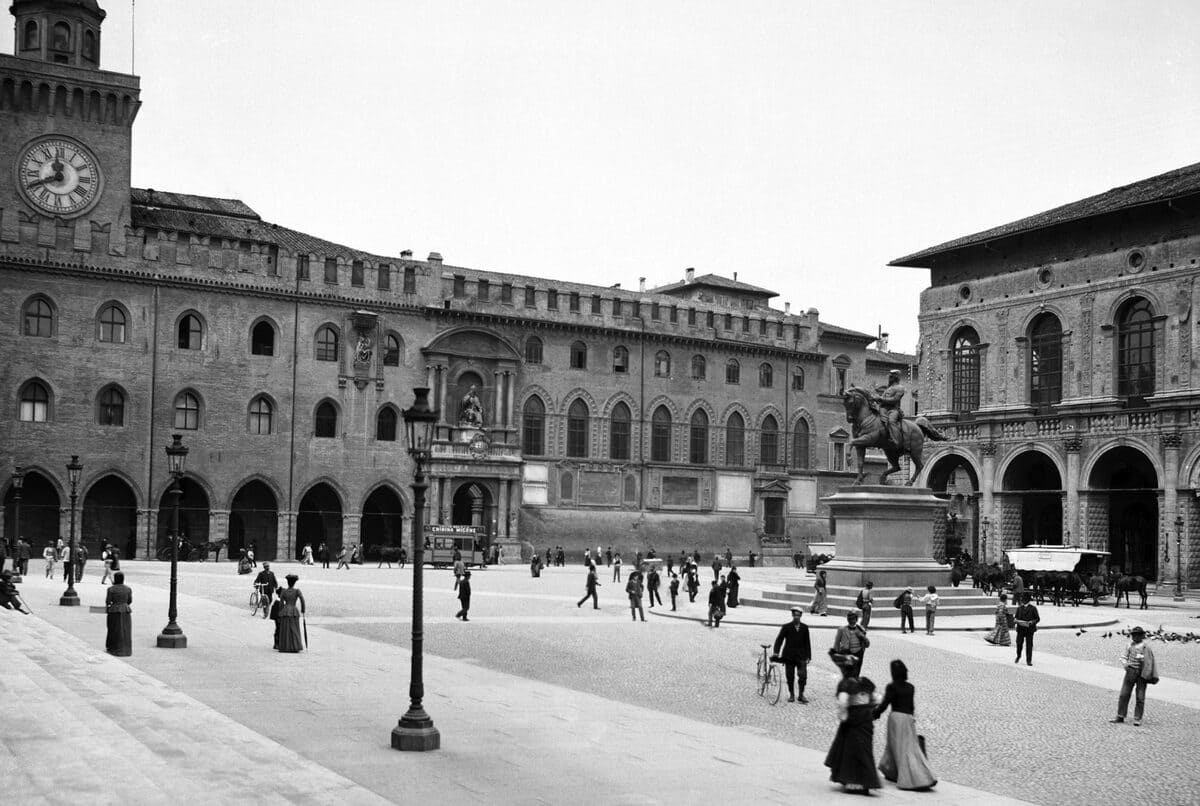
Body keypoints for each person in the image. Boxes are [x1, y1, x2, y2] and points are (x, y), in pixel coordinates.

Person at [875, 660, 937, 790]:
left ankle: (909, 777)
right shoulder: (910, 687)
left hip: (896, 719)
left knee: (898, 748)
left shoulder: (892, 687)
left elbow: (885, 704)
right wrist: (912, 719)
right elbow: (911, 706)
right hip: (908, 718)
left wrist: (874, 713)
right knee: (910, 747)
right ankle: (894, 772)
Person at [824, 676, 883, 794]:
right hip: (866, 721)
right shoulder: (866, 683)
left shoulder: (846, 686)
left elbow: (842, 702)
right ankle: (865, 780)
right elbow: (878, 698)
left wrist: (844, 715)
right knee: (865, 751)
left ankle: (851, 780)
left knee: (849, 751)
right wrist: (870, 706)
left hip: (853, 719)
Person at [1111, 626, 1158, 726]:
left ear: (1142, 636)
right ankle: (1120, 715)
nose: (1134, 637)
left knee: (1140, 697)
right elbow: (1123, 657)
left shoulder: (1146, 647)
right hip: (1130, 672)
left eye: (1137, 635)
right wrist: (1126, 665)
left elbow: (1150, 662)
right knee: (1124, 694)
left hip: (1142, 673)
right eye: (1133, 635)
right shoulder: (1129, 646)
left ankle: (1138, 718)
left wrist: (1147, 672)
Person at [773, 607, 812, 703]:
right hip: (789, 656)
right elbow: (779, 640)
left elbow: (807, 642)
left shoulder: (805, 628)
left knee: (803, 676)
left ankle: (801, 694)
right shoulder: (786, 627)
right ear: (792, 616)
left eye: (798, 616)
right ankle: (791, 694)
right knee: (790, 676)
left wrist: (808, 656)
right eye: (795, 615)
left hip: (801, 656)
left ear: (801, 616)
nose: (796, 617)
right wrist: (776, 652)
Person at [871, 369, 907, 449]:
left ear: (896, 377)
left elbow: (895, 400)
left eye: (891, 376)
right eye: (890, 376)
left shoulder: (900, 388)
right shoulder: (888, 388)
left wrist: (880, 399)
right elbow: (882, 399)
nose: (889, 378)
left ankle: (896, 439)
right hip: (883, 409)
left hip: (893, 410)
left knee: (891, 421)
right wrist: (875, 399)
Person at [832, 610, 870, 678]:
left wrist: (862, 637)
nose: (851, 620)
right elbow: (837, 643)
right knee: (848, 673)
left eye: (853, 619)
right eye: (850, 619)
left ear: (856, 619)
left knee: (856, 673)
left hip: (858, 653)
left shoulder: (861, 630)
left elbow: (867, 644)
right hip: (846, 653)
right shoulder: (842, 629)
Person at [104, 571, 133, 656]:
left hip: (114, 610)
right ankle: (126, 647)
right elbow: (129, 601)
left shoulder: (111, 589)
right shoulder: (128, 589)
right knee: (125, 630)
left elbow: (108, 601)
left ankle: (113, 647)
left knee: (113, 629)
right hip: (125, 610)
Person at [276, 574, 305, 652]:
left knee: (285, 629)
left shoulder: (284, 591)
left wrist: (280, 611)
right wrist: (303, 609)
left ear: (288, 582)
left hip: (285, 610)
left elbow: (281, 603)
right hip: (293, 610)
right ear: (294, 583)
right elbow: (302, 599)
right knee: (294, 629)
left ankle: (285, 646)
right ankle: (295, 646)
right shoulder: (297, 591)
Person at [1014, 593, 1040, 666]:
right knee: (1019, 643)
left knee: (1029, 645)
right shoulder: (1019, 608)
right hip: (1020, 629)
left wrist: (1032, 622)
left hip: (1029, 629)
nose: (1022, 601)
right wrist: (1016, 620)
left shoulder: (1033, 608)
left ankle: (1029, 660)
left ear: (1027, 600)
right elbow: (1016, 617)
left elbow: (1037, 618)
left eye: (1024, 599)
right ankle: (1018, 655)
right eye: (1022, 599)